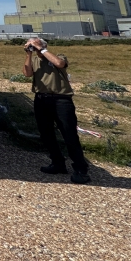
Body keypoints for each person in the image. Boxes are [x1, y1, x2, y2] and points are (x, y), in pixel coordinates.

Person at [23, 37, 90, 184]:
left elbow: (59, 64)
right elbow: (27, 74)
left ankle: (81, 169)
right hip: (41, 99)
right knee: (46, 133)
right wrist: (28, 54)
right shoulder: (34, 60)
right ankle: (57, 162)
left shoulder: (59, 56)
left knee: (69, 134)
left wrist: (41, 49)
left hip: (61, 100)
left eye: (34, 44)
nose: (33, 46)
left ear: (43, 45)